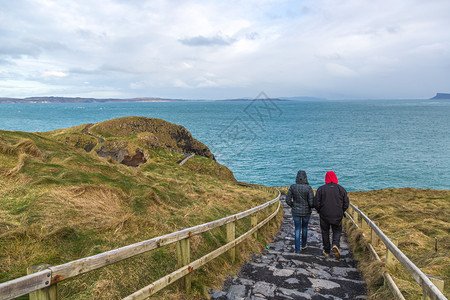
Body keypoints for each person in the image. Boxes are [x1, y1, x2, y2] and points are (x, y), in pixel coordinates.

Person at [314, 171, 349, 259]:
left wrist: (320, 211)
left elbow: (316, 203)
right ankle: (335, 245)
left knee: (325, 232)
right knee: (337, 231)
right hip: (337, 215)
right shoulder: (341, 189)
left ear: (326, 178)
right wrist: (342, 211)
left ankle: (327, 251)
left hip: (324, 215)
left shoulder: (321, 189)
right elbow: (346, 203)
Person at [285, 170, 314, 253]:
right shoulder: (308, 188)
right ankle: (304, 245)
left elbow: (287, 200)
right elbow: (311, 203)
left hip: (296, 212)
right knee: (305, 228)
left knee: (297, 229)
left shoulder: (293, 187)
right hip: (306, 212)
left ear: (297, 177)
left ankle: (297, 249)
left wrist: (293, 205)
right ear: (305, 177)